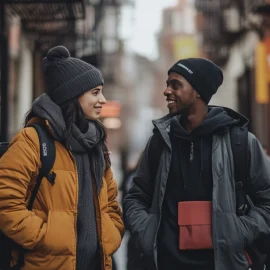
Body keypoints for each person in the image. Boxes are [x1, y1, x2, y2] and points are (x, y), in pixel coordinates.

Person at [123, 58, 270, 270]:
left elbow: (266, 202)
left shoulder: (240, 142)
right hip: (166, 264)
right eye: (167, 84)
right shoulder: (159, 142)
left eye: (175, 85)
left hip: (223, 264)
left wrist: (238, 233)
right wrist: (148, 233)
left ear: (198, 91)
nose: (166, 91)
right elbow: (135, 197)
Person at [0, 45, 124, 270]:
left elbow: (112, 204)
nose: (103, 100)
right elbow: (6, 204)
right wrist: (46, 237)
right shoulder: (33, 140)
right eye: (95, 92)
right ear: (73, 96)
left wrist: (111, 235)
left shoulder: (96, 144)